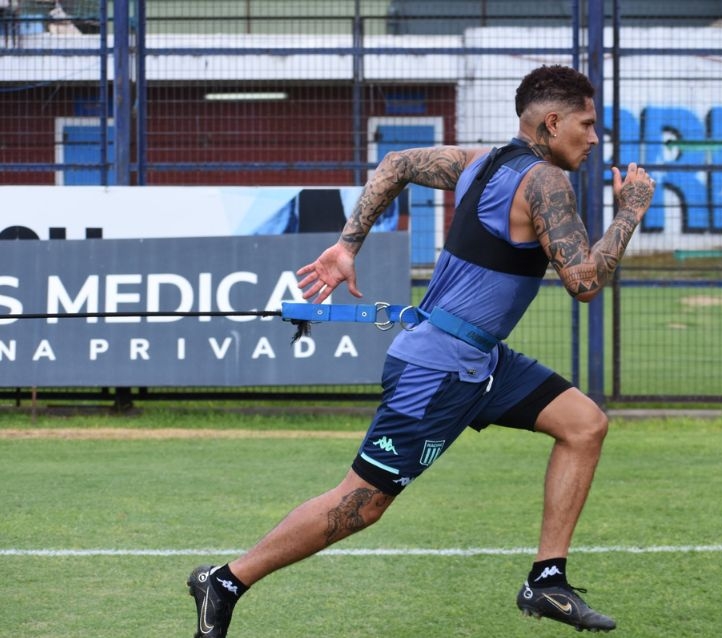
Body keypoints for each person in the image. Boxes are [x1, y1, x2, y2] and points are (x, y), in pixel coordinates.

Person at [188, 64, 655, 636]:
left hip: (482, 360)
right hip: (439, 369)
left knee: (584, 424)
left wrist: (346, 246)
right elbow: (583, 283)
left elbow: (396, 164)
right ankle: (226, 581)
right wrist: (630, 210)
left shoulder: (481, 161)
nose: (595, 137)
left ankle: (546, 580)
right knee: (363, 502)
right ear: (553, 123)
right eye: (587, 124)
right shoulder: (546, 182)